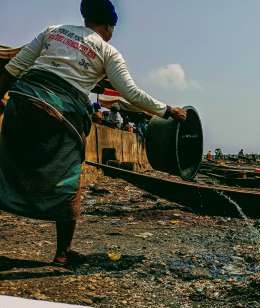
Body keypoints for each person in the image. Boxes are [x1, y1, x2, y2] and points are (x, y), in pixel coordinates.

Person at [0, 0, 187, 265]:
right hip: (60, 117)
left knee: (6, 167)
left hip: (21, 104)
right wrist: (168, 110)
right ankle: (62, 254)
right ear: (109, 27)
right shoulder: (108, 52)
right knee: (68, 181)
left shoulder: (53, 31)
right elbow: (130, 93)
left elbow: (13, 69)